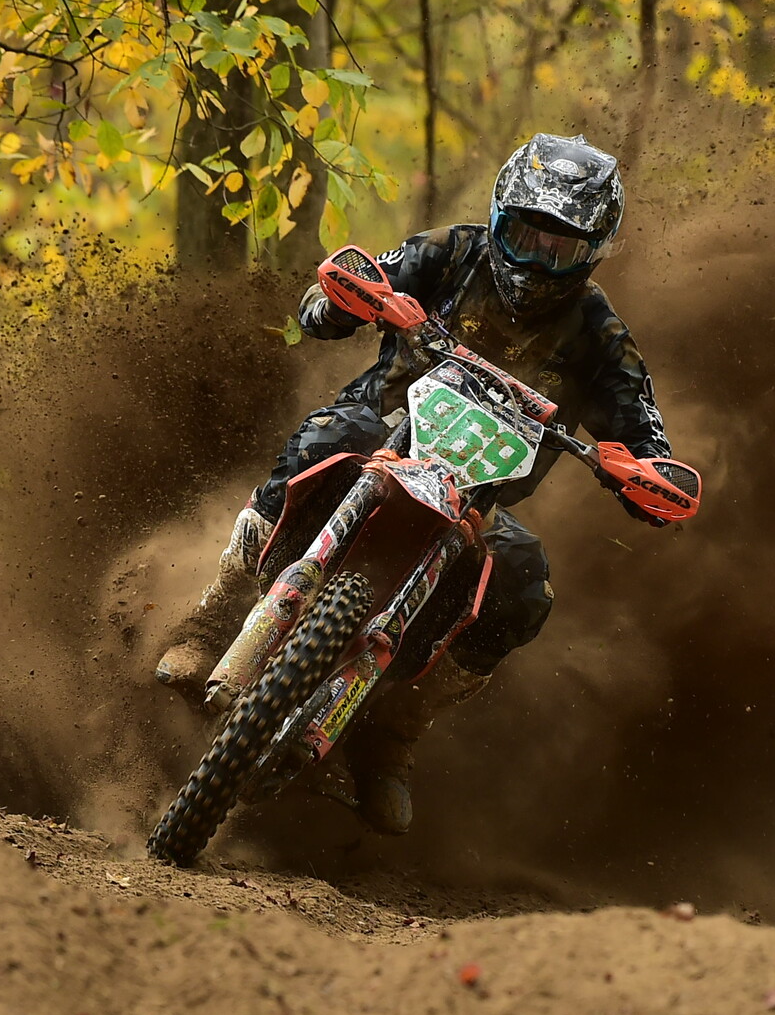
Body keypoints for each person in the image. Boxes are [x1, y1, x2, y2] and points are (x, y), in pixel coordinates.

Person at [155, 132, 680, 834]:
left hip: (478, 498)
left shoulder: (601, 335)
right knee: (323, 437)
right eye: (525, 236)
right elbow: (336, 293)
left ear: (593, 251)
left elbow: (650, 442)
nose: (536, 260)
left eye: (559, 248)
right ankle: (213, 613)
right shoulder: (454, 251)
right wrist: (346, 302)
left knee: (526, 585)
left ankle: (395, 733)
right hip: (382, 427)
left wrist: (640, 474)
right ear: (499, 218)